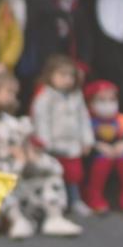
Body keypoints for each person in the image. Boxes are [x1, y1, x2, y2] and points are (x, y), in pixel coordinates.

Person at [0, 71, 81, 240]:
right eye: (8, 92)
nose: (12, 97)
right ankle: (16, 219)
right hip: (4, 169)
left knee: (51, 169)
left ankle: (54, 217)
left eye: (14, 93)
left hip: (23, 168)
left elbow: (26, 145)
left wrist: (30, 154)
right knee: (1, 182)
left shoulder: (15, 119)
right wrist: (17, 156)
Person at [31, 55, 95, 216]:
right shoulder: (45, 96)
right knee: (53, 176)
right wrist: (44, 143)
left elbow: (84, 119)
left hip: (72, 144)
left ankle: (75, 200)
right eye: (62, 75)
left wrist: (87, 140)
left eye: (70, 76)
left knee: (74, 175)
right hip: (53, 146)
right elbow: (41, 120)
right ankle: (55, 203)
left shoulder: (76, 96)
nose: (67, 79)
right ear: (50, 75)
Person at [83, 79, 123, 214]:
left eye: (112, 99)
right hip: (95, 158)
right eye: (101, 100)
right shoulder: (85, 121)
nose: (108, 104)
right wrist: (95, 145)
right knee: (104, 158)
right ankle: (94, 196)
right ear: (90, 103)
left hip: (121, 156)